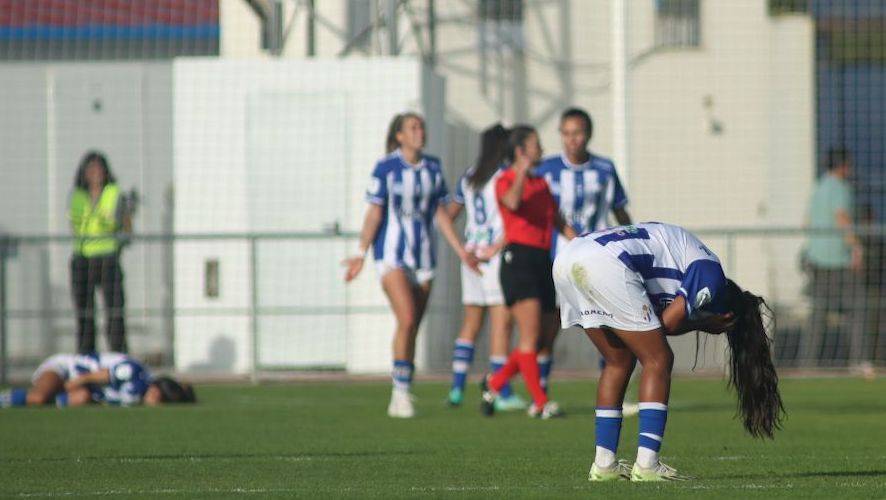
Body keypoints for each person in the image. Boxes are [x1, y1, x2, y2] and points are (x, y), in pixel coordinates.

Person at [553, 222, 784, 481]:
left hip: (568, 258)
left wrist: (700, 323)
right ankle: (648, 464)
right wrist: (705, 324)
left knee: (619, 359)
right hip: (604, 264)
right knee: (659, 359)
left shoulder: (689, 256)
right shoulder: (712, 277)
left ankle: (604, 465)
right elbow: (670, 324)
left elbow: (659, 324)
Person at [342, 112, 477, 418]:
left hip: (424, 258)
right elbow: (375, 212)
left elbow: (441, 214)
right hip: (391, 256)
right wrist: (361, 252)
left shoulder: (432, 166)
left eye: (422, 127)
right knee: (406, 317)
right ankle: (399, 394)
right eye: (413, 128)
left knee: (413, 324)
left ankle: (405, 385)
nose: (420, 132)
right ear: (400, 135)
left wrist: (461, 251)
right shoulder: (386, 167)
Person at [479, 125, 576, 419]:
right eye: (536, 145)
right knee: (529, 338)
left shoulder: (542, 184)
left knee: (545, 337)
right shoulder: (506, 179)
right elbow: (511, 202)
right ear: (521, 150)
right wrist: (520, 169)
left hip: (542, 261)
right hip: (518, 262)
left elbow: (557, 222)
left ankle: (494, 383)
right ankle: (541, 402)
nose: (542, 149)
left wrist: (586, 243)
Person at [534, 107, 633, 395]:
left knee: (609, 323)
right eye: (566, 133)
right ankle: (540, 393)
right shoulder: (547, 169)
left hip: (598, 259)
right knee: (550, 324)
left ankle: (614, 392)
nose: (572, 139)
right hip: (558, 260)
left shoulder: (604, 169)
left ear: (587, 134)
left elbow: (619, 210)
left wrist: (632, 239)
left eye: (577, 133)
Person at [445, 124, 527, 411]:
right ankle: (500, 390)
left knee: (471, 322)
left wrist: (462, 249)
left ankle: (456, 389)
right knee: (501, 324)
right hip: (494, 257)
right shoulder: (504, 176)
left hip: (471, 256)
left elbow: (445, 214)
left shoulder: (469, 175)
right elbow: (513, 219)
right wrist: (495, 246)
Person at [801, 147, 866, 368]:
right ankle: (857, 362)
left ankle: (806, 364)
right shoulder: (840, 188)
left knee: (818, 315)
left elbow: (806, 221)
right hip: (838, 261)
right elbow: (842, 218)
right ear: (843, 166)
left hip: (817, 259)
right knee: (858, 309)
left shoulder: (818, 187)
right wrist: (857, 247)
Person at [69, 151, 132, 354]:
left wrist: (119, 244)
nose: (95, 173)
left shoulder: (114, 193)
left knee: (114, 312)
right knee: (85, 313)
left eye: (99, 169)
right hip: (83, 259)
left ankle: (118, 355)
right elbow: (75, 224)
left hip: (108, 258)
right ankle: (86, 355)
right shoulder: (77, 196)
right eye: (91, 169)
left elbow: (125, 226)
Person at [0, 352, 196, 407]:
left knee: (82, 398)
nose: (156, 403)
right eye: (160, 399)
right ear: (156, 390)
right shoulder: (134, 373)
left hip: (83, 388)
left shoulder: (137, 394)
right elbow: (101, 374)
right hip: (65, 370)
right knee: (39, 398)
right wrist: (71, 384)